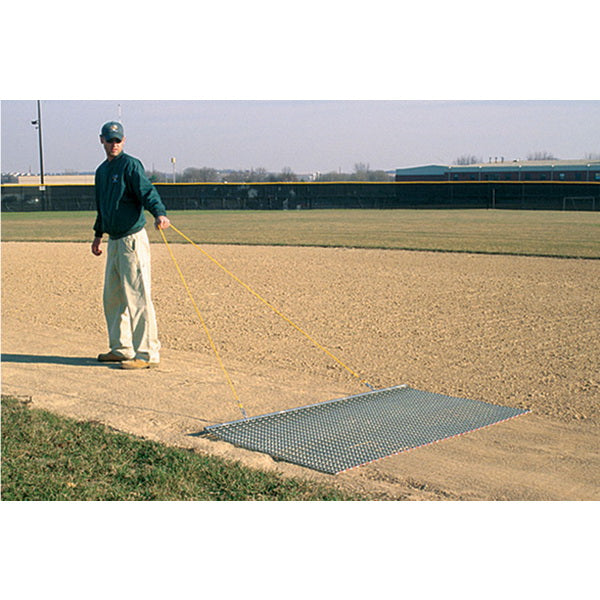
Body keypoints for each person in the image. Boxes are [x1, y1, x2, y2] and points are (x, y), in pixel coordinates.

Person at [91, 121, 170, 369]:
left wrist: (159, 213)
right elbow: (103, 207)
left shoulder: (130, 164)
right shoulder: (102, 171)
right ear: (101, 140)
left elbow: (147, 192)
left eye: (118, 140)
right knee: (113, 298)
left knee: (138, 297)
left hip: (132, 240)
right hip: (114, 241)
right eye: (109, 139)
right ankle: (121, 348)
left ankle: (146, 354)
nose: (113, 144)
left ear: (123, 141)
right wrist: (97, 234)